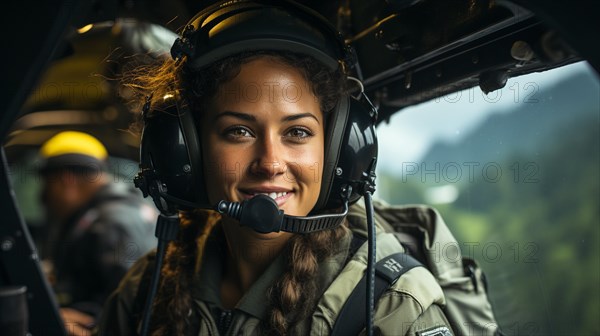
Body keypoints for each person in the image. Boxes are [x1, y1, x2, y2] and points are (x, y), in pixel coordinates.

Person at [98, 1, 453, 335]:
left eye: (297, 132)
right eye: (239, 131)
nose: (269, 163)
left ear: (336, 153)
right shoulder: (147, 286)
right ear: (188, 150)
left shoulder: (388, 307)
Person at [38, 130, 158, 334]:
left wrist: (86, 323)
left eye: (48, 185)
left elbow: (137, 308)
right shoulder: (115, 210)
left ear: (66, 179)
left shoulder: (112, 222)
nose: (45, 197)